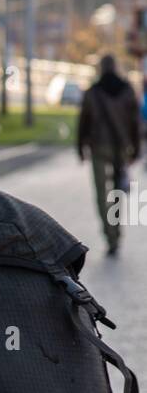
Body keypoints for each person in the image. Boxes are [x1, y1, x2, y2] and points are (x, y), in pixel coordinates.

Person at [77, 54, 141, 255]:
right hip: (120, 149)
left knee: (101, 194)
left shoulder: (92, 92)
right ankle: (117, 230)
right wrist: (136, 150)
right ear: (116, 67)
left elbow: (83, 123)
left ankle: (109, 234)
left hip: (98, 148)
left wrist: (80, 148)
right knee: (117, 193)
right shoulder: (128, 91)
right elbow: (135, 123)